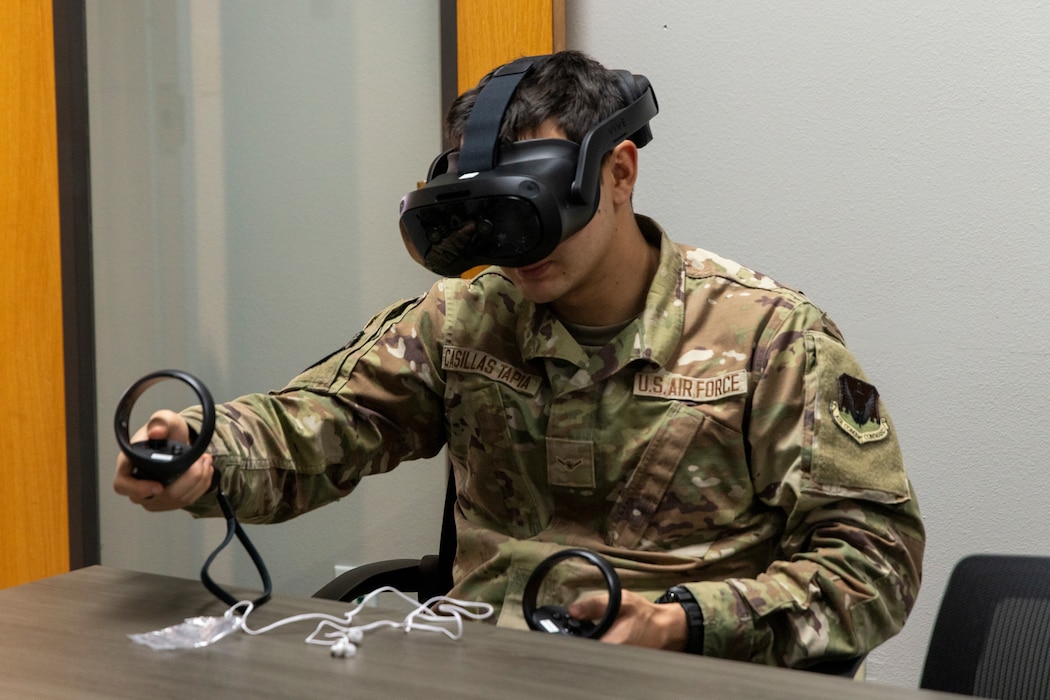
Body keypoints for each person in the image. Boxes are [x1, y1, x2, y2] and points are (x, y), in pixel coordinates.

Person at [114, 50, 924, 668]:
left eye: (534, 209)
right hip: (493, 668)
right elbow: (325, 420)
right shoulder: (467, 320)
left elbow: (874, 562)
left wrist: (682, 620)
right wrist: (203, 449)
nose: (516, 247)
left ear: (618, 172)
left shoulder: (769, 337)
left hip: (690, 673)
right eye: (492, 214)